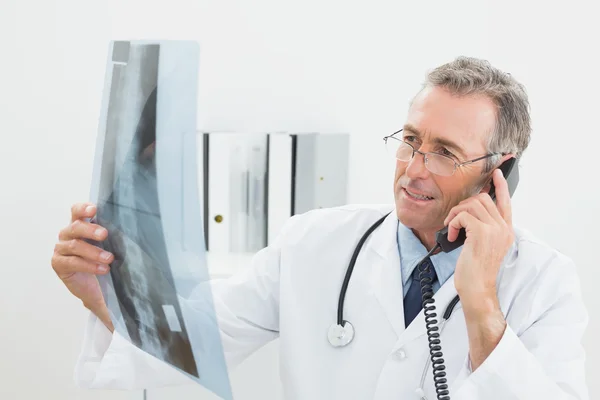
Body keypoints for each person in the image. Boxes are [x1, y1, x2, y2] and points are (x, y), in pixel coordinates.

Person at [51, 56, 589, 400]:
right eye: (410, 140)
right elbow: (198, 342)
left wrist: (481, 305)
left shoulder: (542, 281)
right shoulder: (313, 242)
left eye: (445, 153)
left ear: (500, 171)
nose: (414, 168)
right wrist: (106, 294)